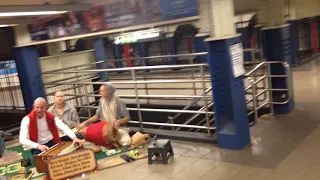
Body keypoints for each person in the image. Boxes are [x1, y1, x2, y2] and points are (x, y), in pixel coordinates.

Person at [19, 97, 85, 155]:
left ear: (46, 106)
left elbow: (63, 127)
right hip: (39, 145)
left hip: (53, 141)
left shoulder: (51, 117)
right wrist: (38, 146)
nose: (39, 110)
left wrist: (74, 138)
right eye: (37, 107)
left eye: (42, 107)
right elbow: (22, 139)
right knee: (38, 156)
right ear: (34, 106)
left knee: (79, 135)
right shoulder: (26, 119)